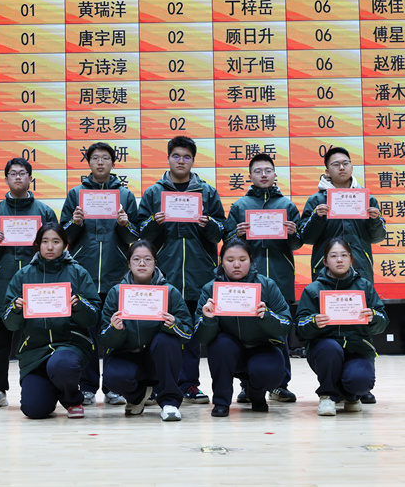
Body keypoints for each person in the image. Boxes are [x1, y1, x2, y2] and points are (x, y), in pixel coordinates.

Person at [138, 136, 225, 404]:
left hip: (199, 273)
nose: (181, 161)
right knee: (161, 329)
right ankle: (159, 384)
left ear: (193, 161)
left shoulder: (207, 192)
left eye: (186, 157)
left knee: (191, 333)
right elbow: (140, 233)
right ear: (168, 159)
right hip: (165, 273)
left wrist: (208, 224)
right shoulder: (154, 193)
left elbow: (220, 232)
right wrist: (154, 222)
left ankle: (189, 384)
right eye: (176, 156)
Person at [300, 146, 386, 404]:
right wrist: (317, 218)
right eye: (335, 164)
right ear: (327, 170)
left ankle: (361, 385)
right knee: (328, 328)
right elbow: (305, 237)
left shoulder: (366, 198)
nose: (341, 167)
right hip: (325, 276)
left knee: (361, 321)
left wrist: (374, 219)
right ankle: (330, 384)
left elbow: (378, 236)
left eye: (345, 163)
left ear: (351, 167)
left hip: (360, 273)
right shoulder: (316, 201)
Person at [60, 142, 139, 406]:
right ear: (89, 163)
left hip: (115, 274)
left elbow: (135, 237)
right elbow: (63, 236)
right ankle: (88, 386)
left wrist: (125, 224)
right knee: (87, 334)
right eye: (95, 158)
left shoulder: (125, 195)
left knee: (115, 332)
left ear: (113, 163)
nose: (100, 162)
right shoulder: (76, 194)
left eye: (105, 158)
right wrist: (75, 223)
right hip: (84, 274)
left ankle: (113, 387)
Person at [0, 158, 58, 409]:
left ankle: (39, 386)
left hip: (38, 286)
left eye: (23, 173)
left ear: (30, 178)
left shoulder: (44, 211)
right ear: (6, 179)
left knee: (37, 340)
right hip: (2, 285)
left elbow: (55, 248)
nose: (18, 177)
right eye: (13, 174)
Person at [224, 153, 302, 404]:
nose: (264, 175)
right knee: (245, 332)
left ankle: (280, 385)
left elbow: (298, 243)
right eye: (258, 171)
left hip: (280, 277)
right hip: (247, 281)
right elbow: (228, 243)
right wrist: (237, 234)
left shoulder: (287, 205)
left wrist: (292, 233)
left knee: (280, 332)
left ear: (275, 174)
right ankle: (247, 385)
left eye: (268, 170)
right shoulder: (240, 206)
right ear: (250, 176)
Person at [3, 222, 101, 419]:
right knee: (34, 410)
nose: (50, 247)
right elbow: (9, 323)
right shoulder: (23, 275)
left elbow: (94, 316)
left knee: (62, 365)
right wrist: (16, 309)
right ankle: (55, 386)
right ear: (37, 245)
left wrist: (78, 305)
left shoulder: (78, 272)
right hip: (35, 351)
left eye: (56, 241)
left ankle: (72, 398)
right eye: (45, 241)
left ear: (65, 245)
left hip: (70, 345)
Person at [195, 239, 292, 417]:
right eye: (230, 260)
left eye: (242, 259)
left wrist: (267, 316)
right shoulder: (210, 289)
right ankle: (221, 401)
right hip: (229, 349)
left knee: (272, 372)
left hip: (262, 346)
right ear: (221, 262)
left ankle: (255, 394)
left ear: (251, 260)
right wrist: (208, 319)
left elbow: (285, 325)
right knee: (221, 345)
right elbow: (201, 337)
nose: (236, 265)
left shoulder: (267, 285)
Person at [100, 240, 193, 421]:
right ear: (129, 263)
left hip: (157, 358)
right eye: (136, 259)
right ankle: (138, 396)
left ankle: (170, 402)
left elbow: (188, 333)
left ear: (155, 262)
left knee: (167, 341)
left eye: (147, 259)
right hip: (128, 355)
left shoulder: (169, 292)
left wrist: (174, 324)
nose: (142, 263)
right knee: (113, 378)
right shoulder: (116, 293)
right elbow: (104, 338)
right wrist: (115, 329)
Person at [295, 238, 389, 416]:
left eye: (344, 255)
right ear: (325, 262)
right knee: (330, 347)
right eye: (333, 256)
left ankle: (351, 396)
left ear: (351, 259)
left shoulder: (364, 286)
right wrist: (314, 322)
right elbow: (300, 326)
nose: (339, 260)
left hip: (358, 348)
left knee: (361, 381)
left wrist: (373, 317)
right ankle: (327, 396)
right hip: (325, 351)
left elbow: (383, 321)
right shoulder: (313, 290)